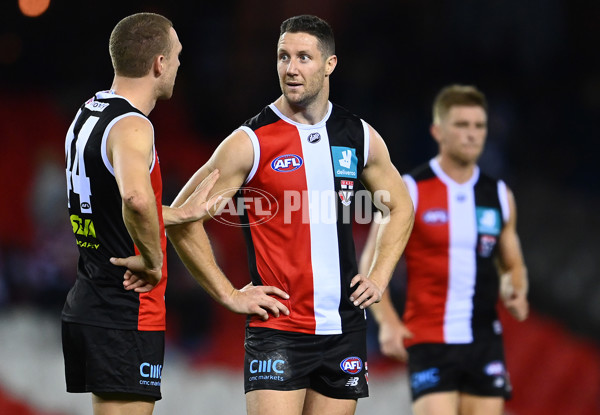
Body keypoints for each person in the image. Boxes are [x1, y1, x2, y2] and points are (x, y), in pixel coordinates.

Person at [163, 14, 414, 415]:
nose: (291, 68)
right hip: (278, 330)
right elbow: (182, 219)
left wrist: (380, 275)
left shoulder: (358, 135)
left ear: (330, 64)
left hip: (343, 330)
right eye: (283, 57)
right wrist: (228, 293)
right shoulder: (250, 142)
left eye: (303, 57)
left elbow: (400, 206)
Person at [61, 13, 221, 415]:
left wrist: (182, 213)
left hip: (92, 297)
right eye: (177, 55)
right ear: (159, 64)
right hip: (125, 307)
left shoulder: (89, 112)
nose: (181, 64)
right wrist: (152, 258)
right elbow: (135, 199)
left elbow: (111, 207)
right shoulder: (133, 126)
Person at [360, 84, 529, 415]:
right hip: (429, 339)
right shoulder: (410, 189)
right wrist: (389, 321)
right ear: (438, 131)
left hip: (484, 342)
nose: (471, 135)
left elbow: (513, 264)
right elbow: (370, 262)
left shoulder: (500, 196)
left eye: (479, 126)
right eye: (461, 126)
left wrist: (516, 287)